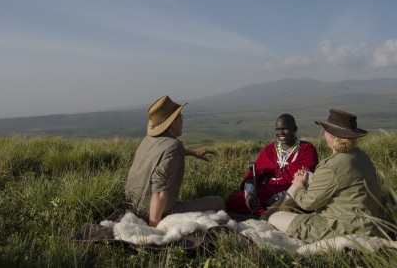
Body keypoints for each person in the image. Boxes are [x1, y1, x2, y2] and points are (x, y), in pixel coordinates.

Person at [268, 109, 382, 243]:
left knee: (274, 218)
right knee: (309, 177)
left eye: (326, 130)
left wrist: (299, 185)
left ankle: (274, 218)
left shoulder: (330, 166)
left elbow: (308, 203)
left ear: (331, 135)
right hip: (371, 224)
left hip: (344, 228)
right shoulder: (362, 156)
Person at [125, 95, 225, 227]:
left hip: (132, 204)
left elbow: (166, 154)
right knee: (219, 202)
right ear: (172, 123)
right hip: (153, 212)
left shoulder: (149, 140)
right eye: (180, 117)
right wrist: (154, 228)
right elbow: (159, 190)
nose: (182, 121)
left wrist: (194, 153)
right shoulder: (174, 146)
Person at [226, 114, 319, 216]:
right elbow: (254, 173)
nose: (281, 133)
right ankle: (271, 212)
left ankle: (271, 213)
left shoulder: (306, 149)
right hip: (266, 192)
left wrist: (279, 197)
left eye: (285, 128)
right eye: (277, 129)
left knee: (302, 207)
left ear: (294, 129)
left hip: (292, 194)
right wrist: (249, 194)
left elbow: (306, 178)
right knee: (233, 201)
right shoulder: (270, 149)